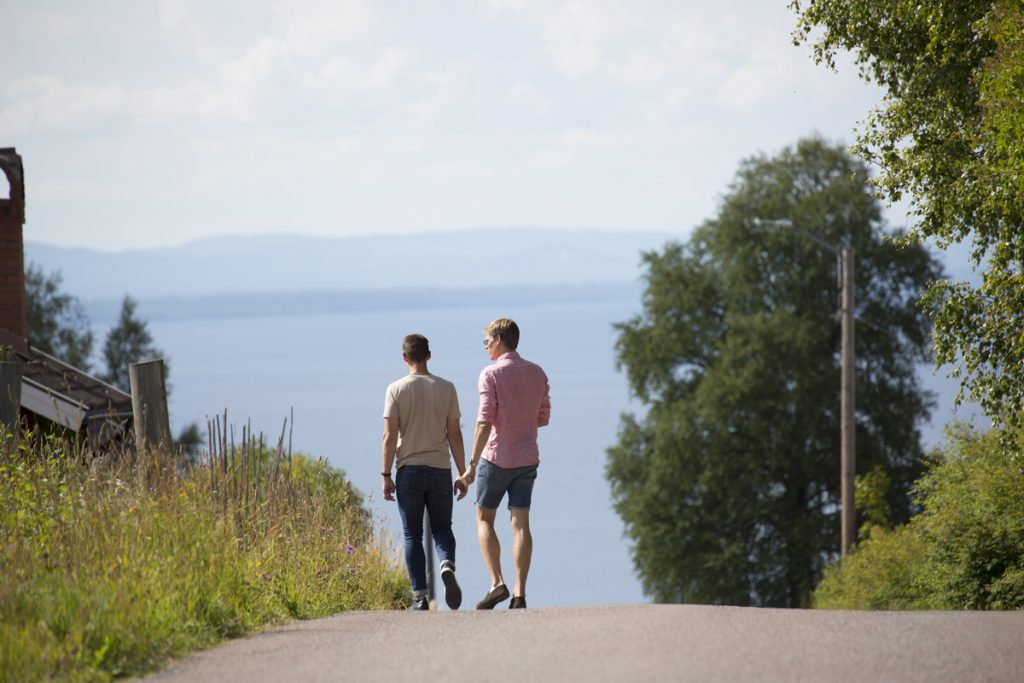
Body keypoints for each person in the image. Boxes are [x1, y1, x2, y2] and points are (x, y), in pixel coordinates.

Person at [457, 318, 550, 609]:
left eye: (487, 341)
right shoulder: (537, 373)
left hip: (495, 458)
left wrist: (471, 464)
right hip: (526, 459)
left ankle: (497, 582)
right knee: (520, 524)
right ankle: (520, 593)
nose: (485, 346)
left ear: (498, 339)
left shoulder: (490, 374)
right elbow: (543, 417)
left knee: (484, 519)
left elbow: (484, 421)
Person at [382, 333, 468, 611]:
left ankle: (420, 596)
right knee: (443, 528)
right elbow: (454, 435)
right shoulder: (447, 388)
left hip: (408, 470)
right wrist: (462, 472)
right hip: (441, 468)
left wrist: (385, 474)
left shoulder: (395, 389)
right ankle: (446, 564)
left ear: (405, 358)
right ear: (429, 356)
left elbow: (389, 435)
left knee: (412, 535)